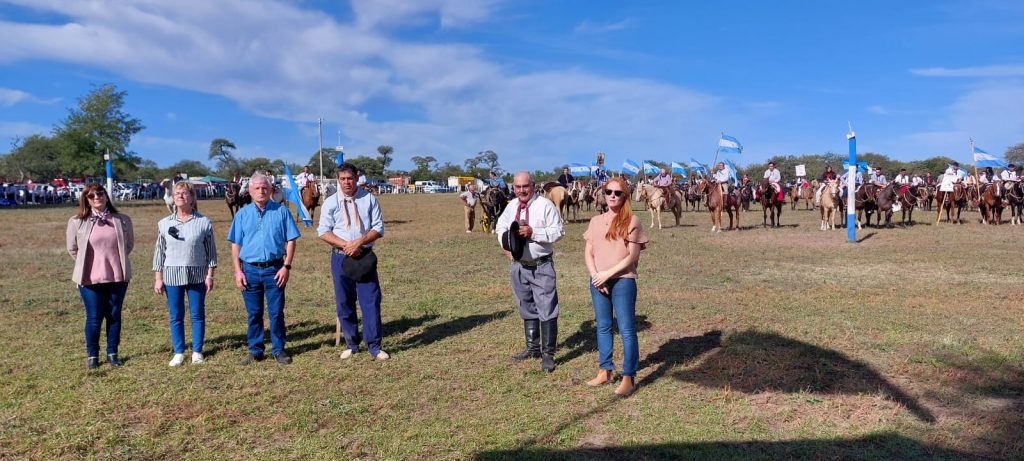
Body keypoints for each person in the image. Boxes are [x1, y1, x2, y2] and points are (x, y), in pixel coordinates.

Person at [583, 177, 648, 397]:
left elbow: (632, 255)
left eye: (618, 193)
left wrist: (607, 275)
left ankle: (629, 377)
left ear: (625, 197)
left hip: (623, 281)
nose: (612, 195)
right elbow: (589, 251)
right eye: (608, 191)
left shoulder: (632, 220)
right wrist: (595, 276)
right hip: (598, 281)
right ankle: (605, 370)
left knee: (627, 330)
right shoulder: (594, 221)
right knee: (603, 326)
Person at [227, 174, 301, 366]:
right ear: (250, 191)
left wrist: (287, 266)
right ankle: (255, 350)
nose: (261, 191)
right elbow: (235, 244)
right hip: (249, 270)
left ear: (271, 190)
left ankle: (278, 349)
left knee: (276, 312)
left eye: (264, 188)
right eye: (257, 188)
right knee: (254, 313)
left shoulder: (282, 212)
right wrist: (238, 271)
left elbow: (291, 240)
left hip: (275, 269)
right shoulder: (242, 215)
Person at [495, 172, 565, 372]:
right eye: (517, 187)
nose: (521, 190)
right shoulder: (511, 207)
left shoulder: (545, 205)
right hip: (519, 266)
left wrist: (534, 233)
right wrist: (506, 245)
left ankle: (548, 355)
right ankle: (532, 347)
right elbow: (500, 227)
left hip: (541, 266)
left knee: (547, 308)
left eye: (525, 186)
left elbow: (559, 231)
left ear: (533, 186)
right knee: (526, 305)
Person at [318, 163, 388, 361]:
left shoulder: (369, 199)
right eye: (342, 179)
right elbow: (323, 231)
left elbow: (378, 228)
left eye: (350, 178)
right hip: (340, 257)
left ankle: (374, 346)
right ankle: (352, 344)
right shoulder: (331, 202)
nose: (346, 182)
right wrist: (345, 245)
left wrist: (360, 242)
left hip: (364, 256)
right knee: (344, 302)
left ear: (357, 178)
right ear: (338, 180)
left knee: (370, 301)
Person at [65, 184, 134, 369]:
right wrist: (86, 264)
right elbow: (72, 249)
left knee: (114, 316)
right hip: (89, 279)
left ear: (106, 196)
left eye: (100, 193)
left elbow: (128, 245)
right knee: (94, 317)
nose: (97, 197)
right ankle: (93, 355)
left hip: (117, 277)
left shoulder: (122, 219)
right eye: (91, 195)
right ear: (86, 200)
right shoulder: (77, 221)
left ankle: (113, 353)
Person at [153, 182, 217, 367]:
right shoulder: (164, 224)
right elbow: (159, 252)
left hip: (197, 274)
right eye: (177, 193)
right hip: (172, 275)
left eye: (184, 193)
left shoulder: (204, 222)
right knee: (176, 315)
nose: (180, 196)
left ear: (192, 197)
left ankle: (197, 351)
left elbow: (211, 252)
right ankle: (179, 352)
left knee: (197, 314)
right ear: (172, 198)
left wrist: (210, 275)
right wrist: (158, 278)